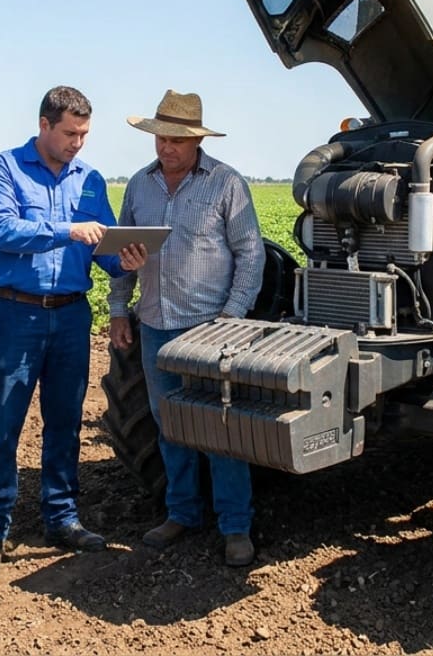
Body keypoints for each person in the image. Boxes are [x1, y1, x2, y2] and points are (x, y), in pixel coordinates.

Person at [0, 86, 146, 579]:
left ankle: (62, 519)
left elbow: (105, 245)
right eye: (70, 133)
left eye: (85, 134)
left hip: (70, 316)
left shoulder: (89, 179)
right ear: (44, 125)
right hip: (16, 315)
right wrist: (66, 229)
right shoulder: (4, 168)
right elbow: (3, 231)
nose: (78, 144)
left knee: (65, 424)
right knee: (2, 424)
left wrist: (124, 258)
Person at [109, 90, 265, 567]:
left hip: (209, 330)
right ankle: (182, 513)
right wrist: (119, 306)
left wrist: (232, 317)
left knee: (221, 429)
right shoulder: (140, 185)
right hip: (155, 324)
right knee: (169, 425)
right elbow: (122, 255)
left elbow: (251, 253)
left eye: (176, 139)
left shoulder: (225, 184)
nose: (166, 147)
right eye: (160, 137)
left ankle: (235, 526)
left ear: (195, 140)